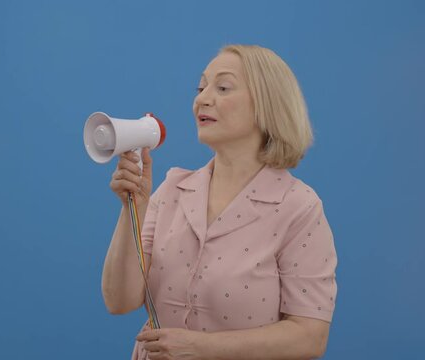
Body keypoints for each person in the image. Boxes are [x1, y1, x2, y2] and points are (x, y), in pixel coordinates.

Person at [102, 44, 338, 360]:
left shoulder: (298, 207)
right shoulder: (172, 190)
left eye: (223, 87)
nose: (203, 98)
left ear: (266, 106)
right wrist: (134, 205)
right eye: (201, 87)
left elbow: (310, 337)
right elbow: (119, 300)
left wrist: (199, 348)